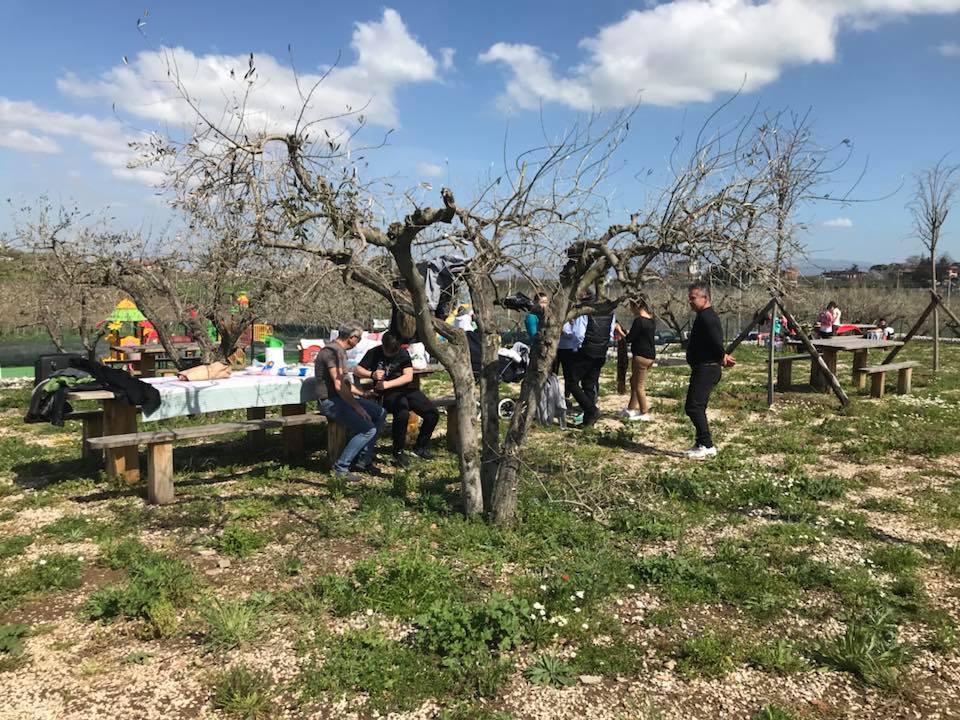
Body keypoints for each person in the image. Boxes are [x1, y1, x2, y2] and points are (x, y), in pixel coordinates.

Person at [355, 332, 440, 467]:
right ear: (383, 346)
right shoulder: (374, 352)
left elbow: (408, 376)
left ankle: (420, 446)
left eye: (393, 352)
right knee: (402, 413)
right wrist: (372, 374)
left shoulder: (403, 353)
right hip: (387, 393)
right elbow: (358, 370)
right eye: (387, 352)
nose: (390, 354)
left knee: (432, 413)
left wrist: (387, 384)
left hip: (405, 389)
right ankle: (398, 451)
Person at [314, 321, 387, 480]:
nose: (358, 343)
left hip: (340, 398)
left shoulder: (339, 352)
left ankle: (363, 459)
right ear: (352, 338)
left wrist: (364, 394)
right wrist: (357, 407)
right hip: (330, 402)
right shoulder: (332, 353)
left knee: (380, 412)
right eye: (359, 339)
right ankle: (341, 468)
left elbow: (345, 384)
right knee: (368, 430)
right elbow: (339, 385)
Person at [684, 284, 735, 459]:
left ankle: (707, 445)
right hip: (703, 367)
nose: (690, 301)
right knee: (698, 406)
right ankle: (700, 443)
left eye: (693, 298)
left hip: (707, 369)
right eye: (690, 298)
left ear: (705, 298)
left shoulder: (707, 317)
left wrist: (722, 356)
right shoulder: (703, 316)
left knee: (693, 407)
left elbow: (715, 341)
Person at [567, 295, 616, 427]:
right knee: (589, 383)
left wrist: (576, 348)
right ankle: (588, 420)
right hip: (601, 351)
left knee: (571, 382)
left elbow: (578, 334)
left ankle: (591, 410)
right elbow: (611, 333)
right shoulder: (610, 313)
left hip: (586, 350)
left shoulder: (585, 311)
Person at [614, 298, 656, 421]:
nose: (631, 310)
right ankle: (631, 408)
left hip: (641, 357)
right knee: (634, 381)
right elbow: (639, 335)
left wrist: (619, 331)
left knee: (639, 385)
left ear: (637, 306)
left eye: (631, 307)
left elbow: (629, 339)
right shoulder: (651, 321)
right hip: (650, 356)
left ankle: (644, 412)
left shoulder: (639, 321)